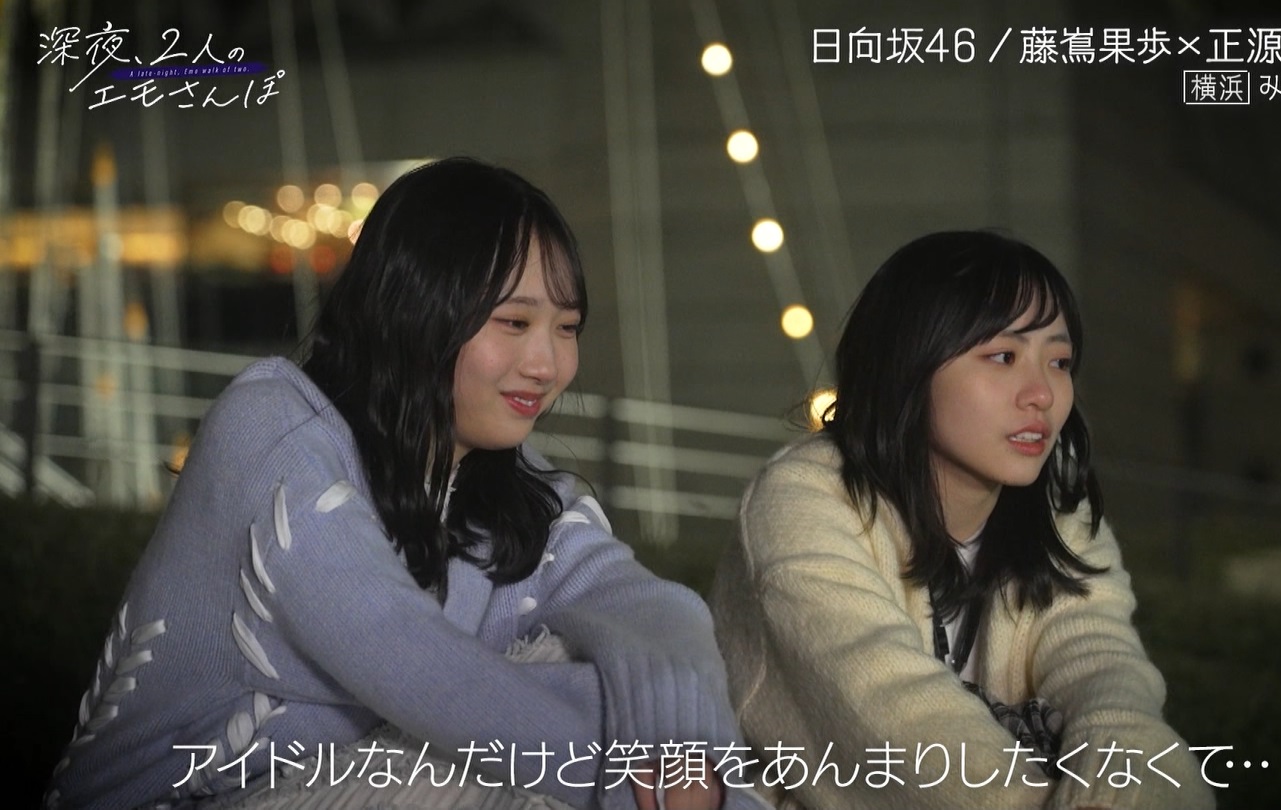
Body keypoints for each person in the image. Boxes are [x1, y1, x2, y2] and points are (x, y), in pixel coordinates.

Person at [47, 158, 763, 810]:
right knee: (518, 750)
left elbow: (650, 608)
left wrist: (682, 755)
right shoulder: (273, 427)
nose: (547, 365)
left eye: (567, 328)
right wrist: (635, 776)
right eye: (514, 322)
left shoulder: (514, 491)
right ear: (417, 308)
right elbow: (417, 666)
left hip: (360, 783)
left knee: (604, 663)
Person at [709, 231, 1215, 810]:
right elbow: (890, 714)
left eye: (1059, 361)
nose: (1042, 394)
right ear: (909, 363)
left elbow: (1105, 672)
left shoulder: (1059, 513)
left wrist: (1122, 789)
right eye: (1004, 357)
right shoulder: (804, 499)